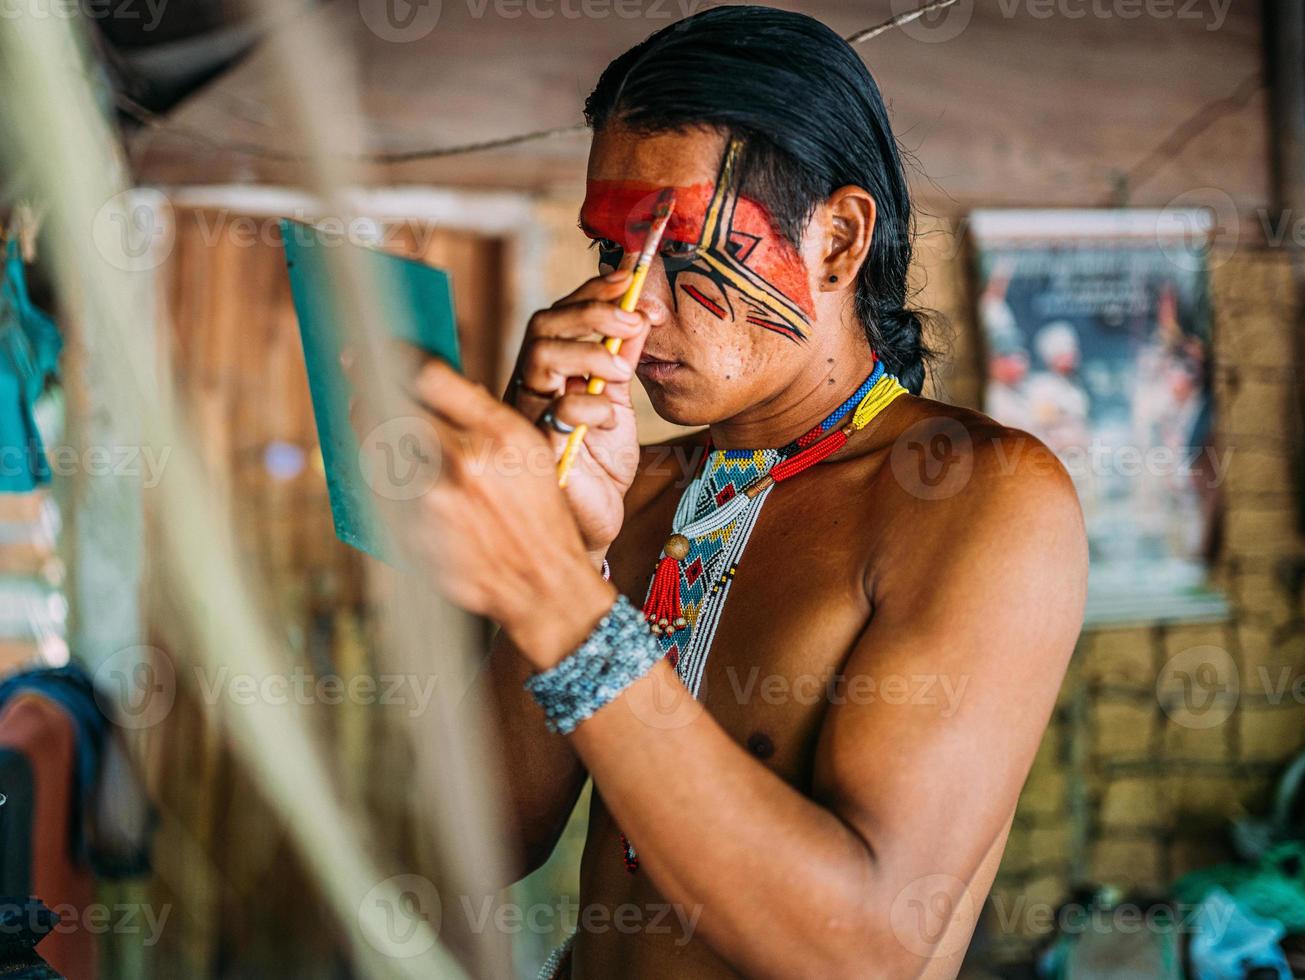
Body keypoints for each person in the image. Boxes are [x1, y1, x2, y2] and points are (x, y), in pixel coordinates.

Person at [356, 7, 1087, 976]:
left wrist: (555, 593)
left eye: (686, 251)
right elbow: (474, 844)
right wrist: (561, 534)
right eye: (614, 252)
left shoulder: (975, 497)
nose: (632, 304)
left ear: (835, 240)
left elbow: (865, 952)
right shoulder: (639, 492)